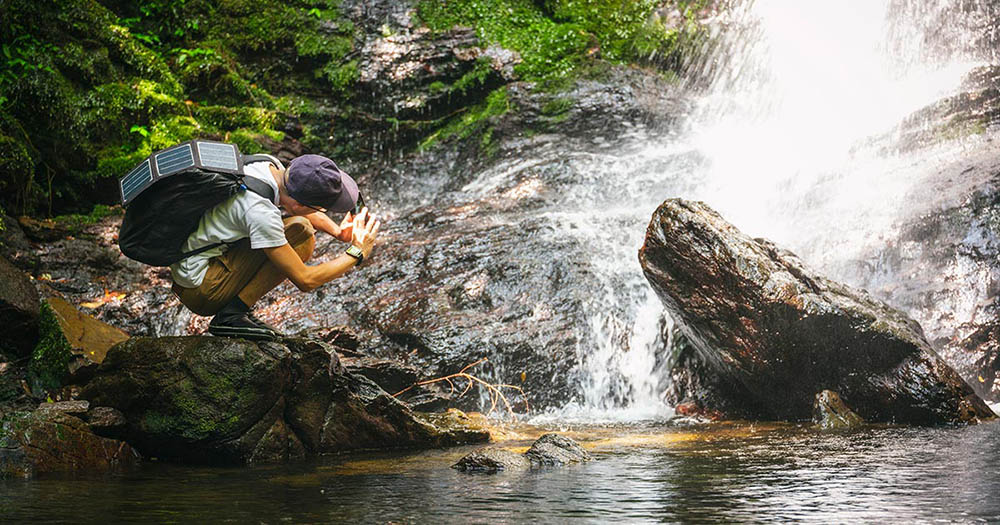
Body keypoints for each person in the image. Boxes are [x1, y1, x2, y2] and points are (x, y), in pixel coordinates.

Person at [169, 154, 379, 340]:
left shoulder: (269, 165)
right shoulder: (260, 211)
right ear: (300, 205)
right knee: (302, 235)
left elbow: (295, 205)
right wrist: (357, 251)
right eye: (322, 208)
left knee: (299, 226)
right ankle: (231, 315)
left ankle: (234, 311)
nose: (323, 211)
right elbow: (306, 280)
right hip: (201, 290)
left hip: (195, 261)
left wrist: (336, 231)